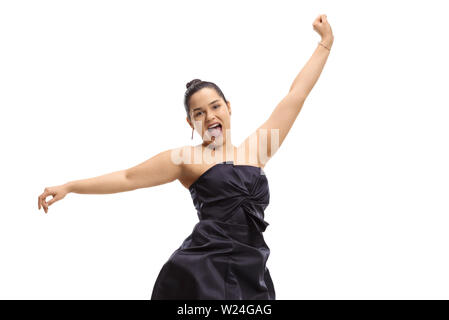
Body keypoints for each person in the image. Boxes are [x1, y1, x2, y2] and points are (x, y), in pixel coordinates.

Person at [38, 14, 334, 299]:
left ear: (229, 107)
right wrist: (69, 187)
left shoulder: (258, 149)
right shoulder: (185, 159)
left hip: (252, 271)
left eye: (216, 106)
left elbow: (297, 94)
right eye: (199, 113)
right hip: (203, 271)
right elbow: (128, 178)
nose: (210, 116)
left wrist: (325, 44)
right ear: (191, 123)